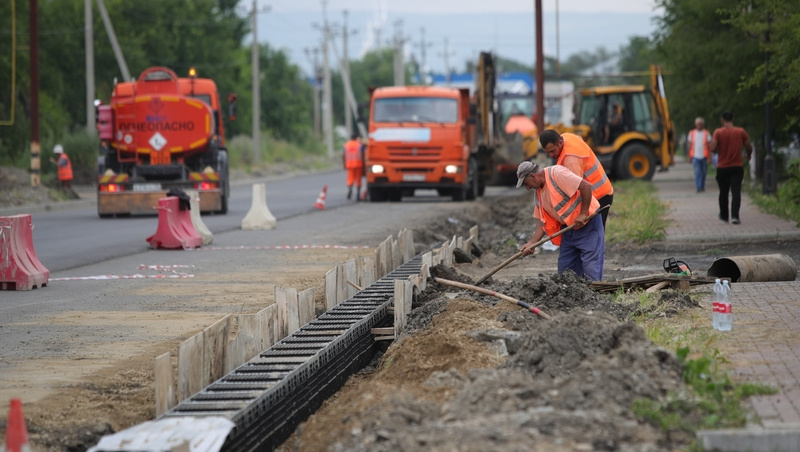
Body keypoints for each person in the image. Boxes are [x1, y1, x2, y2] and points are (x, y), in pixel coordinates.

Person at [516, 161, 605, 281]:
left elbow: (586, 186)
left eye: (527, 183)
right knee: (565, 272)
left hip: (588, 223)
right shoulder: (538, 193)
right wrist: (532, 243)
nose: (527, 188)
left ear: (533, 176)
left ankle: (595, 294)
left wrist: (583, 213)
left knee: (591, 266)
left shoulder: (557, 174)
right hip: (568, 229)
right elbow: (543, 220)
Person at [539, 129, 613, 228]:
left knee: (593, 235)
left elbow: (578, 190)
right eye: (547, 152)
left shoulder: (571, 161)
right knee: (595, 235)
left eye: (552, 151)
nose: (551, 155)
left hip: (598, 196)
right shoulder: (567, 136)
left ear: (560, 142)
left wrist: (582, 213)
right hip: (601, 190)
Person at [709, 111, 753, 225]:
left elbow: (712, 148)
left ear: (722, 120)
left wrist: (713, 146)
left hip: (722, 167)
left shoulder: (718, 132)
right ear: (733, 119)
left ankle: (724, 215)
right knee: (736, 191)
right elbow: (749, 146)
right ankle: (735, 216)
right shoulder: (741, 131)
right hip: (737, 167)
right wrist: (748, 155)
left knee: (723, 192)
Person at [687, 117, 712, 193]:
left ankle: (702, 186)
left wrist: (709, 157)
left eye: (701, 124)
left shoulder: (706, 133)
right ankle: (699, 187)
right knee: (697, 172)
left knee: (704, 172)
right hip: (695, 156)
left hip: (704, 156)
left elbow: (709, 146)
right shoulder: (691, 133)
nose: (699, 125)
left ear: (703, 125)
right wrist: (689, 157)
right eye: (698, 124)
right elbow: (690, 145)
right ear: (695, 125)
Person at [342, 133, 365, 201]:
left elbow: (343, 155)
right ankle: (358, 194)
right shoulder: (360, 145)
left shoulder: (346, 145)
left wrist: (344, 164)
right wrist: (364, 164)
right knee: (358, 180)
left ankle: (350, 190)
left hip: (349, 165)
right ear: (356, 138)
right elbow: (363, 154)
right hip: (358, 164)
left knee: (350, 179)